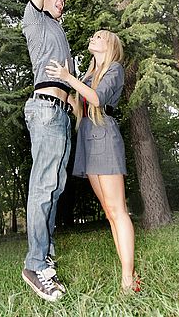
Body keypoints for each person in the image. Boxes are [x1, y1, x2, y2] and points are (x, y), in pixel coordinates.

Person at [45, 30, 140, 293]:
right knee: (109, 213)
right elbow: (81, 108)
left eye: (99, 37)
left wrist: (67, 77)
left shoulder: (115, 69)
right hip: (88, 137)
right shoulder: (87, 76)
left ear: (109, 46)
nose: (93, 38)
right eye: (93, 36)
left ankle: (128, 279)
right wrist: (62, 94)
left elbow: (97, 98)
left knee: (118, 211)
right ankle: (128, 276)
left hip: (105, 137)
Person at [21, 0, 73, 302]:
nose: (60, 0)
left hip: (62, 114)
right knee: (43, 188)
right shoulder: (34, 21)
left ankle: (45, 258)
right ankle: (34, 264)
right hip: (45, 109)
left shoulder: (58, 27)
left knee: (54, 189)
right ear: (43, 0)